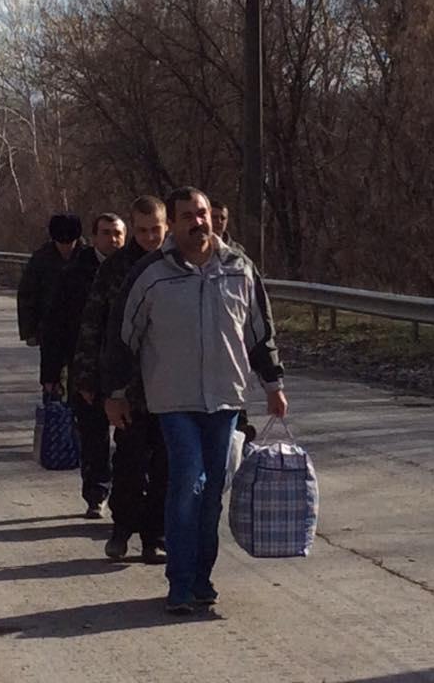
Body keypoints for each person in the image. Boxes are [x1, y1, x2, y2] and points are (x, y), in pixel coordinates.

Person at [103, 186, 287, 614]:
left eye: (201, 213)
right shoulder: (152, 274)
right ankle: (180, 583)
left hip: (224, 399)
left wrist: (273, 384)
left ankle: (202, 579)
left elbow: (260, 332)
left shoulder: (239, 268)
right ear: (173, 223)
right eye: (186, 216)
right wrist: (115, 393)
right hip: (174, 399)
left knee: (213, 490)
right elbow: (122, 336)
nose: (197, 222)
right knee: (188, 480)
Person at [72, 196, 169, 562]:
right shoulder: (116, 269)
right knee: (129, 463)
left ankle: (154, 536)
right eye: (142, 230)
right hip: (128, 386)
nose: (149, 237)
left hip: (171, 385)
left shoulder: (179, 265)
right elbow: (94, 323)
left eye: (155, 230)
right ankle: (122, 527)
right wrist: (87, 377)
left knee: (165, 467)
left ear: (167, 226)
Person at [42, 213, 126, 519]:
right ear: (94, 237)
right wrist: (51, 373)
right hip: (86, 368)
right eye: (106, 233)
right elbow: (55, 327)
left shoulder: (137, 269)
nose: (113, 239)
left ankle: (127, 498)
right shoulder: (75, 274)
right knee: (92, 435)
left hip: (127, 371)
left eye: (117, 233)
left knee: (130, 438)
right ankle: (96, 493)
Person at [16, 213, 83, 392]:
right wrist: (29, 331)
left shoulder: (87, 257)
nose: (66, 246)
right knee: (51, 374)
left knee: (80, 375)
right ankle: (52, 400)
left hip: (81, 328)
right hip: (50, 327)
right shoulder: (41, 259)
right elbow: (27, 295)